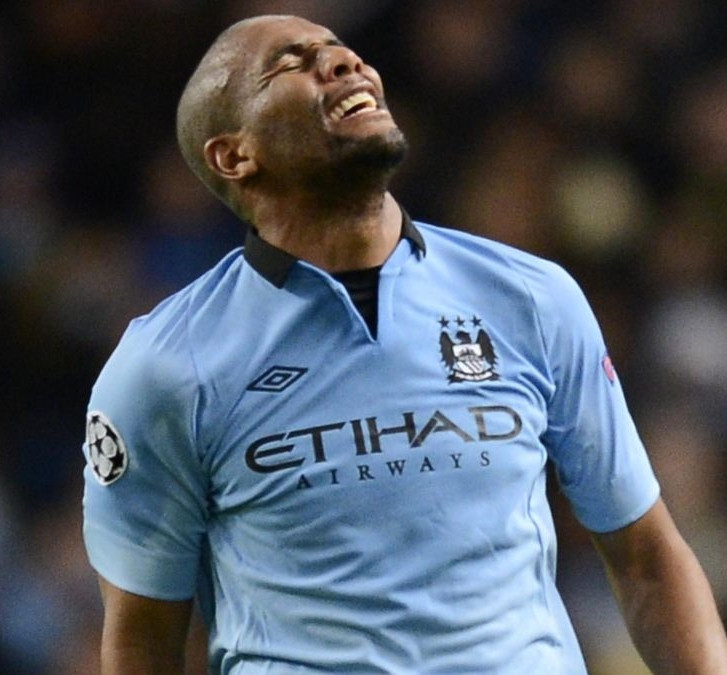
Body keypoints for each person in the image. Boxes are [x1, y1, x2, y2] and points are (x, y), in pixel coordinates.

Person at [81, 14, 727, 674]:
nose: (344, 63)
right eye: (290, 64)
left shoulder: (531, 298)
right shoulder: (165, 366)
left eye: (340, 50)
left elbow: (646, 557)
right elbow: (142, 638)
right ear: (234, 155)